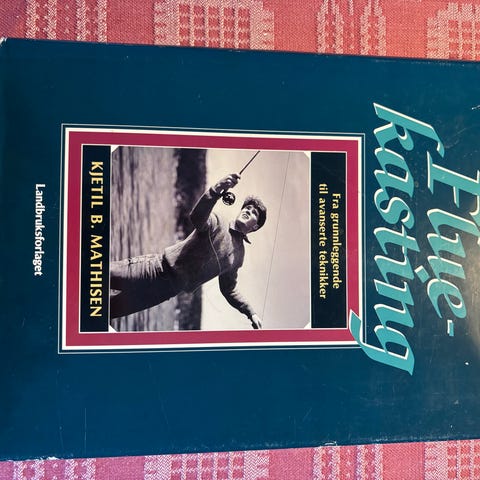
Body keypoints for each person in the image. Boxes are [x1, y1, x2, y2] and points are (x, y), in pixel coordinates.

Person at [110, 173, 267, 329]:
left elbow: (229, 289)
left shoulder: (238, 257)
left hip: (166, 291)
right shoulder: (219, 221)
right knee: (99, 276)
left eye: (254, 212)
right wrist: (217, 189)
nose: (248, 211)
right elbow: (197, 217)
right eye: (247, 208)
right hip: (155, 268)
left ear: (255, 227)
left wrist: (250, 312)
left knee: (109, 311)